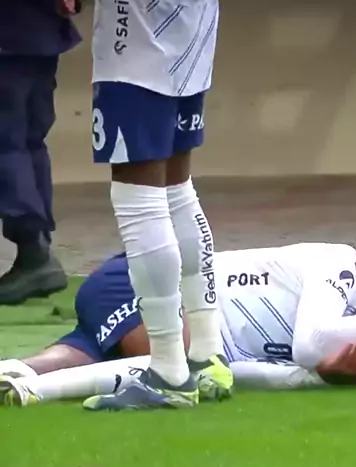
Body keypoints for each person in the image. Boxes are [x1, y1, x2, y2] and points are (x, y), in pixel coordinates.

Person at [0, 243, 356, 409]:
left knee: (203, 371)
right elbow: (310, 344)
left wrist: (320, 377)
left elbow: (234, 373)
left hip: (150, 312)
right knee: (180, 372)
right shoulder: (345, 268)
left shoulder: (324, 363)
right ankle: (35, 393)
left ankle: (17, 377)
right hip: (143, 282)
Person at [90, 0, 231, 408]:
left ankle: (169, 372)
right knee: (176, 188)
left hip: (138, 34)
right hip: (192, 26)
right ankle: (206, 354)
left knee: (139, 199)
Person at [0, 0, 81, 305]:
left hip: (12, 29)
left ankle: (34, 252)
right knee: (26, 140)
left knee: (9, 142)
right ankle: (36, 249)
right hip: (39, 28)